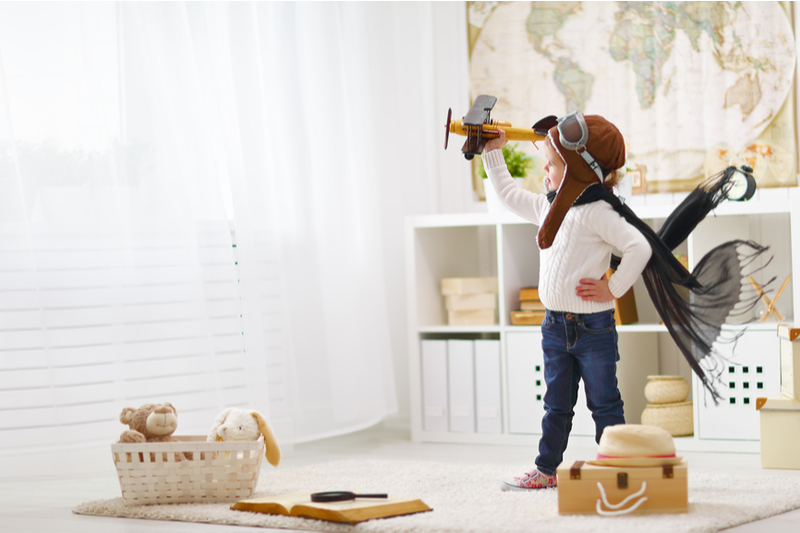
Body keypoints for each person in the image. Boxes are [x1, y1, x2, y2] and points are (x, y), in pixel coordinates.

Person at [481, 113, 651, 490]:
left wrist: (614, 287)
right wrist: (493, 153)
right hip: (554, 325)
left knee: (604, 402)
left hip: (594, 328)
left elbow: (638, 246)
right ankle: (546, 471)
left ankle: (616, 467)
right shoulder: (549, 206)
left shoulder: (597, 213)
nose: (545, 168)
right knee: (556, 404)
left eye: (553, 163)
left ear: (578, 169)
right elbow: (508, 195)